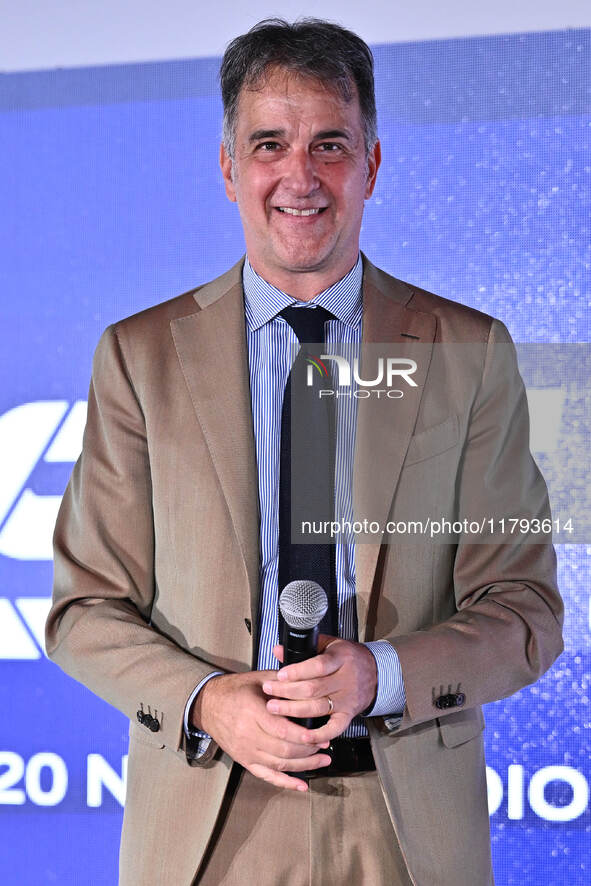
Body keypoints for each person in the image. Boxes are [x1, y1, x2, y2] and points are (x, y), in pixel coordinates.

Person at [46, 18, 563, 886]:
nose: (300, 175)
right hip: (209, 820)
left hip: (405, 827)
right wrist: (208, 701)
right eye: (268, 144)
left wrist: (383, 675)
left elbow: (526, 609)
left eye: (330, 144)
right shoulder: (138, 356)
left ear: (371, 165)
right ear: (227, 169)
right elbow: (82, 610)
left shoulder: (470, 351)